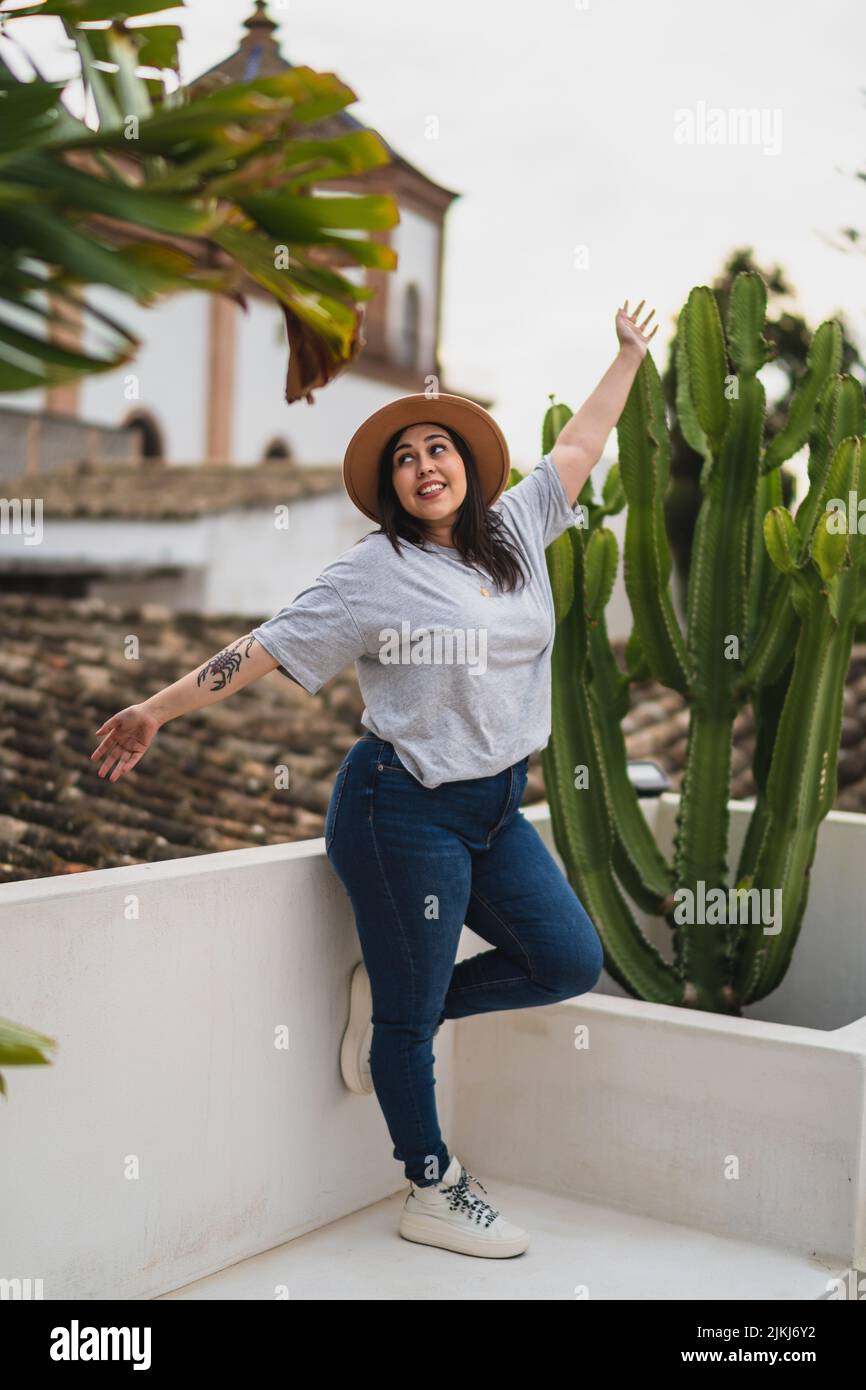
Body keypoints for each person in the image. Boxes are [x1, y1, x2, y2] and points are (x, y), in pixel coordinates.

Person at [91, 299, 658, 1261]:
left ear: (468, 467)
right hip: (401, 808)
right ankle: (429, 1182)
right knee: (405, 1016)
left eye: (439, 447)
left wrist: (630, 357)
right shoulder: (371, 574)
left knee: (565, 960)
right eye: (406, 457)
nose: (426, 465)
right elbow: (260, 649)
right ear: (393, 486)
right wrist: (154, 708)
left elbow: (582, 442)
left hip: (494, 809)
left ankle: (409, 1002)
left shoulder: (520, 526)